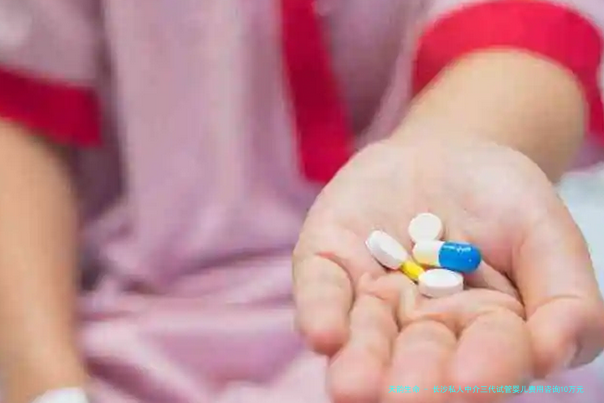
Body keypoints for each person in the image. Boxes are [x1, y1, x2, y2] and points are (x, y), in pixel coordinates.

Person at [0, 0, 603, 402]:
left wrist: (453, 147)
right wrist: (49, 387)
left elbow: (527, 28)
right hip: (119, 332)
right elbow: (20, 113)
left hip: (398, 330)